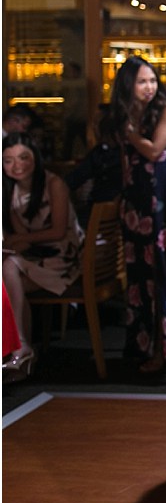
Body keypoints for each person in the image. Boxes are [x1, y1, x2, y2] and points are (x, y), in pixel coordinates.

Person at [107, 56, 166, 374]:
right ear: (128, 85)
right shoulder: (127, 113)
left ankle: (164, 350)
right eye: (141, 81)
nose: (149, 87)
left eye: (152, 80)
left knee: (160, 272)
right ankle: (140, 346)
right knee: (138, 275)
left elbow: (155, 151)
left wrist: (129, 133)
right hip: (135, 201)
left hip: (160, 200)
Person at [2, 132, 85, 381]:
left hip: (64, 256)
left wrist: (19, 241)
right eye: (8, 160)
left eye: (23, 158)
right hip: (35, 257)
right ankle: (23, 350)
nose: (16, 166)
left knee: (8, 270)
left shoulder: (54, 184)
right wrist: (16, 242)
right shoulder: (10, 190)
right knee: (9, 280)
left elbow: (58, 231)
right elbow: (21, 237)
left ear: (35, 158)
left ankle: (22, 349)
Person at [64, 109, 123, 227]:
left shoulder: (102, 154)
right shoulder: (126, 151)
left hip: (98, 218)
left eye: (96, 124)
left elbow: (74, 179)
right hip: (115, 222)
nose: (93, 128)